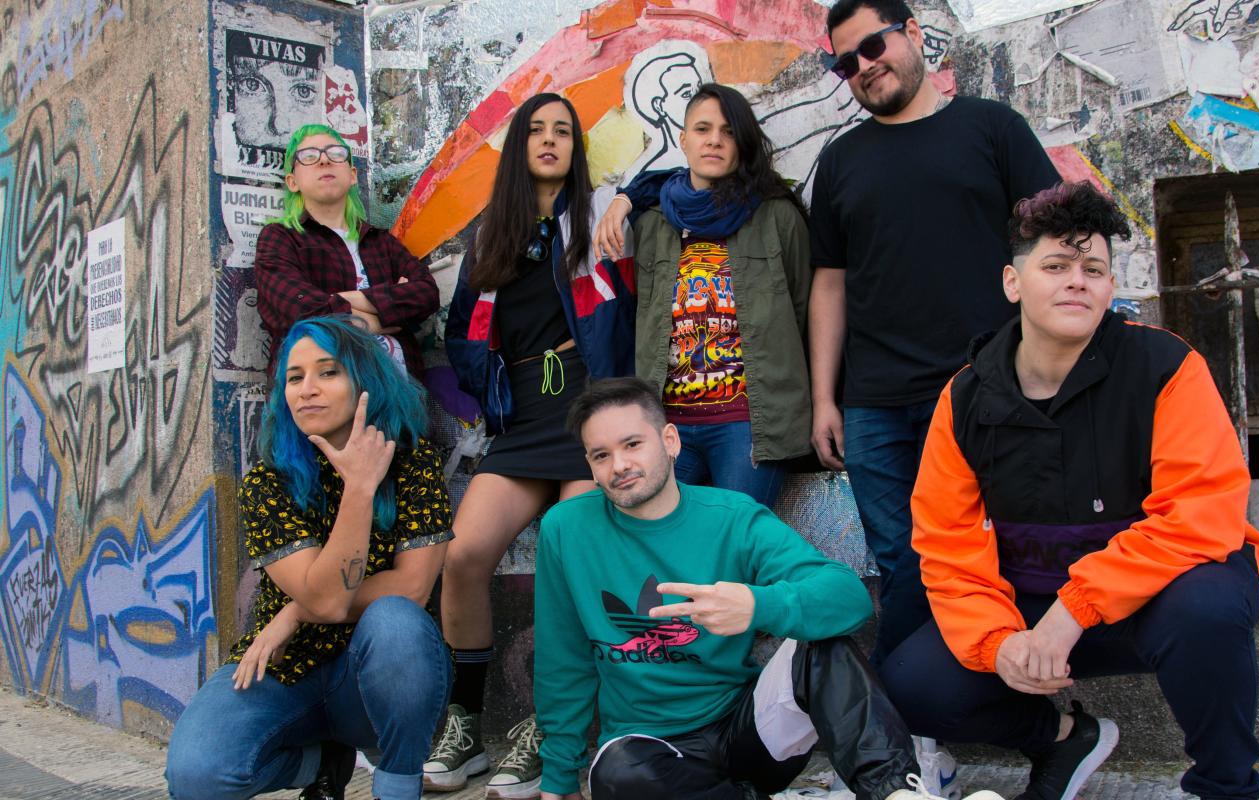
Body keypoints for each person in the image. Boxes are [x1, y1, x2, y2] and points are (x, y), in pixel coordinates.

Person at [880, 183, 1259, 800]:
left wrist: (1073, 612)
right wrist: (998, 642)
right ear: (1013, 282)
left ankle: (1225, 786)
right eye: (1056, 266)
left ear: (1111, 286)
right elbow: (947, 545)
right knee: (913, 685)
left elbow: (1198, 515)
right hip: (1033, 609)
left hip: (1151, 602)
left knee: (1209, 610)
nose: (1077, 281)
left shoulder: (1167, 367)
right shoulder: (964, 399)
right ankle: (1062, 739)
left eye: (1094, 268)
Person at [531, 377, 1008, 800]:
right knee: (618, 780)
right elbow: (563, 657)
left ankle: (896, 794)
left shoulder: (733, 517)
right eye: (601, 455)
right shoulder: (566, 529)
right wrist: (558, 778)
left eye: (632, 444)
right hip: (647, 744)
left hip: (748, 731)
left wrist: (758, 604)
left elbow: (847, 597)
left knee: (822, 646)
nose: (619, 465)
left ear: (670, 440)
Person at [808, 0, 1064, 666]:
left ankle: (1036, 713)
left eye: (873, 48)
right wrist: (824, 400)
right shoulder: (839, 162)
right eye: (845, 63)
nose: (863, 69)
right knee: (902, 565)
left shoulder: (992, 128)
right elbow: (829, 284)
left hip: (987, 392)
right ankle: (920, 735)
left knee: (1004, 556)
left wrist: (1047, 366)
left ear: (913, 35)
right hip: (875, 404)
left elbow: (1055, 243)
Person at [432, 92, 635, 796]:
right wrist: (491, 387)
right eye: (536, 131)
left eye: (563, 132)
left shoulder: (599, 218)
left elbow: (674, 182)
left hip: (586, 418)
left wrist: (629, 199)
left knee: (565, 559)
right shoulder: (489, 238)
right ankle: (464, 726)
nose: (550, 140)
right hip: (521, 426)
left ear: (577, 150)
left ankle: (550, 729)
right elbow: (460, 333)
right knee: (463, 555)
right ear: (518, 146)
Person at [165, 315, 454, 800]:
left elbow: (411, 588)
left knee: (397, 622)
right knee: (198, 776)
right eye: (294, 378)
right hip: (284, 667)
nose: (307, 390)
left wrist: (292, 610)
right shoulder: (269, 481)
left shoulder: (412, 462)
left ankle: (398, 784)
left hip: (377, 676)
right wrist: (359, 490)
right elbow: (325, 602)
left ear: (365, 380)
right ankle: (320, 763)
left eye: (327, 372)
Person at [630, 82, 811, 508]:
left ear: (742, 142)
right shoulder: (651, 223)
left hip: (749, 424)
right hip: (667, 424)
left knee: (734, 545)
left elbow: (803, 312)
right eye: (703, 129)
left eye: (728, 131)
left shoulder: (777, 216)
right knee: (661, 547)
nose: (714, 140)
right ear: (683, 139)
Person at [254, 123, 440, 379]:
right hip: (321, 395)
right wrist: (379, 319)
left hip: (398, 395)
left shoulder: (380, 241)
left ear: (352, 174)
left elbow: (427, 294)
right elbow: (303, 310)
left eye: (336, 154)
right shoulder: (280, 239)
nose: (324, 161)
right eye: (308, 156)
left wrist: (337, 299)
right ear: (292, 181)